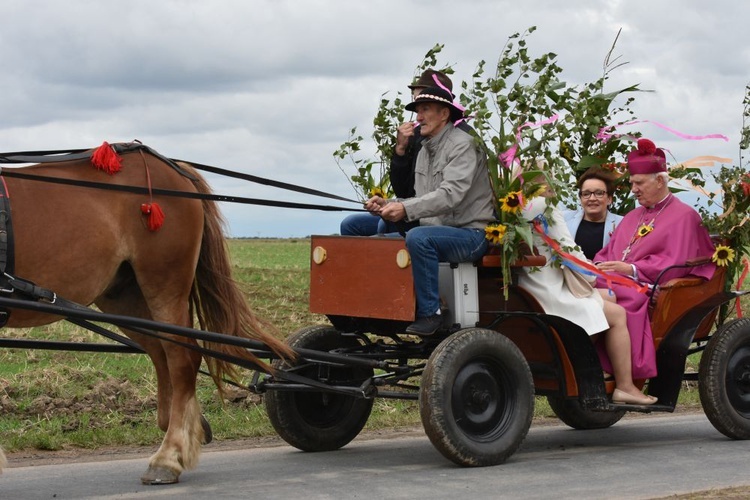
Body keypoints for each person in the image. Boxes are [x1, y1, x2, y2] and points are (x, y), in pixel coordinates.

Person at [366, 86, 494, 335]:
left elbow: (450, 195)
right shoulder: (425, 150)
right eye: (417, 111)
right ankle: (389, 312)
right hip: (437, 231)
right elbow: (423, 199)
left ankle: (431, 314)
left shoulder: (463, 145)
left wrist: (404, 208)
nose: (418, 117)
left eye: (424, 110)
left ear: (444, 114)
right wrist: (388, 204)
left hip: (471, 234)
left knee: (417, 237)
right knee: (378, 244)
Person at [594, 138, 716, 380]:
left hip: (649, 288)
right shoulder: (632, 216)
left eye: (639, 183)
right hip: (614, 281)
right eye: (631, 183)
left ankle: (616, 372)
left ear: (660, 180)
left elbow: (676, 264)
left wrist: (630, 269)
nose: (633, 189)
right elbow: (608, 254)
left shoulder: (685, 217)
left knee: (619, 299)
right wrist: (596, 266)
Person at [520, 190, 657, 405]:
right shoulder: (544, 205)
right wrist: (593, 275)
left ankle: (598, 366)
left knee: (609, 297)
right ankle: (625, 386)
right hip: (548, 291)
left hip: (526, 287)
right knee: (618, 314)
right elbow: (568, 248)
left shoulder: (512, 205)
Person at [340, 69, 460, 236]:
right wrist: (400, 150)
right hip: (411, 208)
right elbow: (403, 190)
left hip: (430, 216)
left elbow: (446, 197)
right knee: (351, 224)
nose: (418, 116)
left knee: (383, 227)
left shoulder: (458, 139)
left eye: (424, 106)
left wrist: (402, 208)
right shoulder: (419, 136)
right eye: (417, 107)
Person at [563, 167, 624, 259]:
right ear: (580, 198)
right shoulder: (564, 220)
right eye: (586, 194)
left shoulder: (622, 224)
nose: (592, 198)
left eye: (599, 193)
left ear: (609, 199)